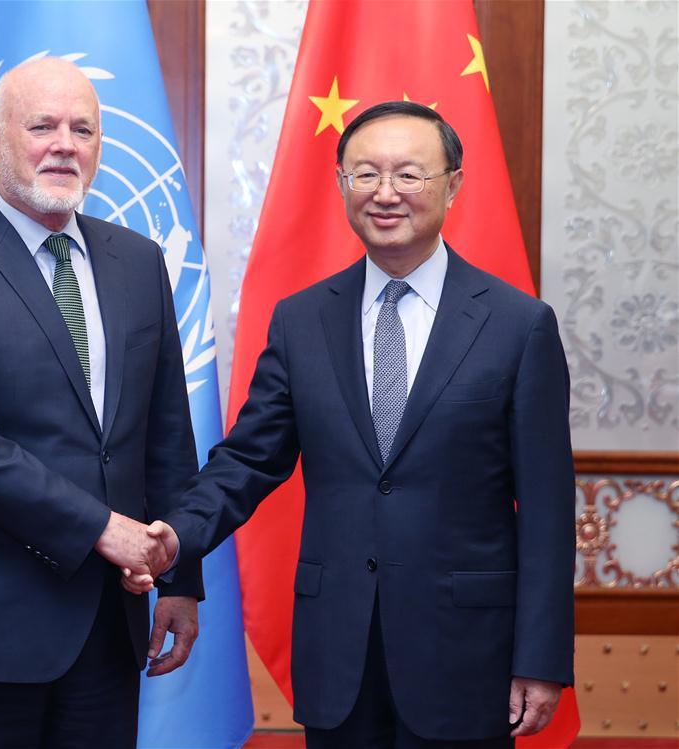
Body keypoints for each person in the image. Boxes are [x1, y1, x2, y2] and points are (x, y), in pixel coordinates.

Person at [145, 101, 575, 749]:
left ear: (452, 185)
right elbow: (248, 460)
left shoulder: (518, 325)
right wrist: (174, 537)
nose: (385, 193)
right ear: (342, 184)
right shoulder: (302, 320)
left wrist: (540, 658)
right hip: (337, 653)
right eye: (365, 174)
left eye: (409, 174)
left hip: (466, 657)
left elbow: (546, 510)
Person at [0, 57, 199, 749]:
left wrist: (179, 579)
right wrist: (102, 528)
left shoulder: (139, 262)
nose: (64, 144)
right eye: (42, 126)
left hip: (105, 630)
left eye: (82, 129)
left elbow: (166, 434)